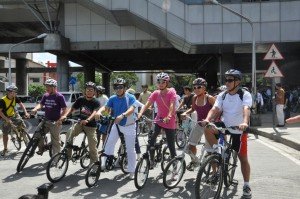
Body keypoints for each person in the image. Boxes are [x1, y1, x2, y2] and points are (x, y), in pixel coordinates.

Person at [201, 69, 253, 198]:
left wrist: (245, 122)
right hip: (225, 125)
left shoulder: (244, 94)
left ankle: (246, 185)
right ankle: (217, 153)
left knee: (243, 158)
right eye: (226, 80)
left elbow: (246, 109)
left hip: (239, 128)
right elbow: (215, 108)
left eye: (230, 80)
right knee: (207, 127)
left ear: (238, 82)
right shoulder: (222, 95)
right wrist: (207, 119)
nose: (227, 82)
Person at [96, 78, 136, 180]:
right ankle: (107, 162)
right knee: (109, 143)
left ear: (124, 88)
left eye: (120, 87)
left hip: (129, 126)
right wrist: (99, 112)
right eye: (116, 87)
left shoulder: (130, 97)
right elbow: (106, 108)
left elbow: (132, 109)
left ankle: (132, 170)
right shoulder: (113, 98)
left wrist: (122, 115)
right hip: (117, 125)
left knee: (130, 149)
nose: (118, 89)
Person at [137, 72, 177, 169]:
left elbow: (172, 105)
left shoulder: (171, 92)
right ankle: (151, 160)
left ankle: (175, 167)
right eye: (159, 81)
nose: (160, 84)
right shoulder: (155, 93)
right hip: (158, 119)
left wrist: (168, 116)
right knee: (151, 139)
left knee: (171, 145)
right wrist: (140, 113)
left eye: (163, 82)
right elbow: (147, 104)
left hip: (169, 120)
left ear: (167, 83)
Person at [61, 82, 100, 165]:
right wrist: (65, 116)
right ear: (84, 91)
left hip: (91, 126)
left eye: (91, 90)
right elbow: (72, 109)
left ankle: (94, 164)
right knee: (69, 133)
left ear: (94, 92)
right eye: (87, 90)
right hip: (80, 123)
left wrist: (88, 120)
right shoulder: (81, 99)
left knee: (92, 145)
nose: (89, 91)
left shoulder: (96, 101)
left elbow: (94, 112)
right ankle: (67, 155)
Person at [180, 78, 215, 171]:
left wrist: (211, 120)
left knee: (210, 150)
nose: (196, 89)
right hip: (199, 124)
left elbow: (217, 110)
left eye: (199, 87)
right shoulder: (194, 98)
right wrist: (185, 113)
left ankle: (215, 172)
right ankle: (194, 162)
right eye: (194, 87)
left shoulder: (210, 98)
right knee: (191, 145)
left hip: (209, 125)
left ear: (204, 88)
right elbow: (193, 108)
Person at [31, 79, 67, 156]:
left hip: (55, 122)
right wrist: (35, 109)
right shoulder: (46, 95)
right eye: (46, 86)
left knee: (55, 141)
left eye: (48, 87)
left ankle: (56, 158)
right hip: (46, 120)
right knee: (37, 135)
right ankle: (42, 148)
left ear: (54, 87)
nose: (46, 88)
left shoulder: (59, 97)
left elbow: (64, 109)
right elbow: (40, 104)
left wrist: (60, 119)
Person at [0, 85, 30, 156]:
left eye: (15, 92)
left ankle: (25, 140)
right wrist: (7, 119)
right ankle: (5, 149)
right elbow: (0, 112)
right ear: (9, 92)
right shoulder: (2, 100)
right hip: (5, 116)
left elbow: (21, 105)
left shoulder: (15, 98)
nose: (15, 93)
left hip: (13, 114)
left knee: (22, 125)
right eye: (14, 92)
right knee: (5, 133)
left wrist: (26, 112)